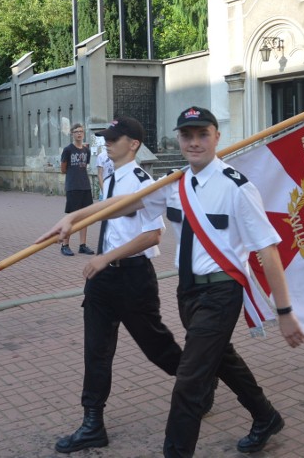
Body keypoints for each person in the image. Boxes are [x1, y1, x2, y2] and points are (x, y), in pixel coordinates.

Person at [39, 106, 304, 457]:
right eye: (187, 135)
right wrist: (73, 217)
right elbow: (122, 205)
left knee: (189, 385)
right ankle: (265, 415)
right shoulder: (173, 185)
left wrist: (284, 310)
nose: (194, 142)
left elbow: (268, 251)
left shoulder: (237, 188)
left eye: (202, 134)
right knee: (222, 358)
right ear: (179, 139)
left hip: (222, 291)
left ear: (216, 137)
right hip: (188, 292)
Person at [55, 117, 182, 454]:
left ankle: (197, 381)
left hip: (133, 277)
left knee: (156, 346)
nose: (107, 144)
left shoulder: (142, 182)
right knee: (96, 351)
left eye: (114, 139)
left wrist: (105, 256)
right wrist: (72, 224)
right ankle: (92, 422)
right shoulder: (111, 179)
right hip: (103, 278)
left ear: (134, 144)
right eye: (105, 139)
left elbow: (153, 235)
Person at [59, 123, 94, 256]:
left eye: (81, 131)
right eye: (76, 131)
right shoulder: (68, 150)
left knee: (84, 216)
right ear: (72, 134)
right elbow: (63, 169)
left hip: (85, 186)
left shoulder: (86, 150)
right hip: (73, 187)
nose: (79, 133)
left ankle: (82, 245)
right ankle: (65, 245)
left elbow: (85, 166)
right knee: (72, 216)